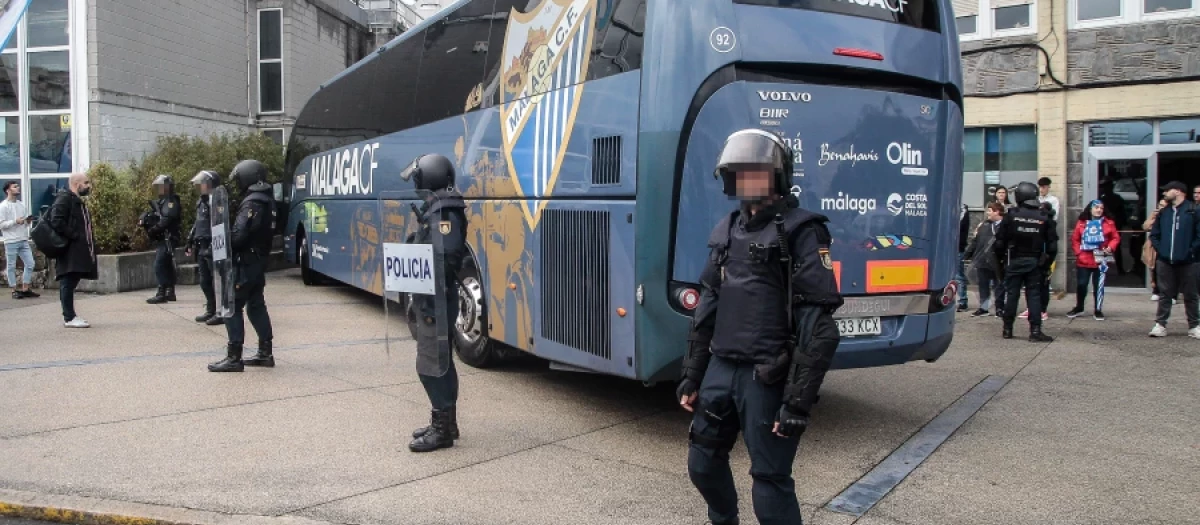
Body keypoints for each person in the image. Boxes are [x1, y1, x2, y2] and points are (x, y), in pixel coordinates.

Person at [677, 129, 842, 525]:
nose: (746, 182)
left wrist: (797, 403)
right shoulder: (727, 229)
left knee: (769, 481)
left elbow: (819, 328)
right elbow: (707, 311)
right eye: (739, 173)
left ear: (778, 177)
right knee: (702, 465)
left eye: (756, 172)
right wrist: (691, 375)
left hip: (767, 375)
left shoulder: (802, 231)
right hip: (720, 369)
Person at [404, 153, 469, 453]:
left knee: (430, 363)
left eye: (418, 178)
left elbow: (446, 255)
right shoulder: (440, 208)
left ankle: (441, 429)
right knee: (439, 360)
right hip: (433, 296)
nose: (416, 184)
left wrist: (422, 259)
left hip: (436, 299)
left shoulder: (444, 212)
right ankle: (446, 422)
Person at [208, 160, 276, 372]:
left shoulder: (252, 203)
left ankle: (234, 357)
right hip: (258, 262)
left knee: (232, 306)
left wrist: (222, 237)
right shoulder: (267, 200)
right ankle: (265, 353)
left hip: (245, 264)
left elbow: (239, 236)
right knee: (256, 305)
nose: (237, 184)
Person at [993, 181, 1057, 342]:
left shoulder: (1011, 215)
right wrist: (1048, 263)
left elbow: (1000, 242)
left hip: (1014, 260)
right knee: (1034, 296)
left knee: (1012, 295)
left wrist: (1000, 262)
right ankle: (1035, 331)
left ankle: (1007, 329)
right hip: (1035, 262)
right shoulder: (1044, 216)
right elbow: (1053, 245)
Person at [1148, 181, 1200, 338]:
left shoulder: (1193, 211)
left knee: (1191, 294)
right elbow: (1154, 234)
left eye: (1167, 190)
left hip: (1189, 261)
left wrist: (1191, 251)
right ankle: (1160, 324)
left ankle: (1194, 326)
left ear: (1178, 191)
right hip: (1165, 260)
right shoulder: (1164, 212)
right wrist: (1161, 250)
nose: (1164, 193)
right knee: (1165, 294)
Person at [48, 173, 97, 328]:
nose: (89, 186)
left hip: (77, 249)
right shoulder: (65, 198)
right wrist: (74, 235)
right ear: (77, 184)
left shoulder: (75, 200)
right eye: (86, 183)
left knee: (71, 281)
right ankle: (69, 317)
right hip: (70, 250)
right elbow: (56, 220)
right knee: (68, 282)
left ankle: (70, 316)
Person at [1067, 200, 1119, 320]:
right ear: (1090, 209)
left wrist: (1110, 247)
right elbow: (1075, 239)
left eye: (1101, 208)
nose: (1099, 210)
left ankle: (1098, 309)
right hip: (1084, 257)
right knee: (1081, 284)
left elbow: (1115, 238)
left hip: (1101, 257)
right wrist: (1078, 253)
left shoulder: (1108, 223)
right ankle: (1079, 307)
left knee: (1099, 286)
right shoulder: (1081, 223)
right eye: (1096, 207)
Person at [185, 170, 224, 325]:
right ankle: (210, 308)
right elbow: (198, 222)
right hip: (202, 245)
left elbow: (219, 223)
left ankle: (219, 311)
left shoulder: (216, 201)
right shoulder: (201, 201)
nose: (200, 187)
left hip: (212, 245)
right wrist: (190, 240)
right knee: (204, 280)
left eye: (203, 184)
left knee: (217, 280)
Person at [140, 175, 181, 304]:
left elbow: (166, 219)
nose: (159, 190)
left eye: (161, 187)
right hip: (163, 237)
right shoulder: (162, 202)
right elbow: (157, 215)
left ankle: (162, 292)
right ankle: (169, 291)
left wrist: (154, 229)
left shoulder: (171, 202)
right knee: (166, 265)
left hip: (168, 237)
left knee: (159, 264)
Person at [0, 181, 39, 299]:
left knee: (30, 263)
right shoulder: (3, 206)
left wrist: (27, 222)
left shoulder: (21, 204)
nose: (18, 188)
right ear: (8, 190)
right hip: (10, 240)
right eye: (15, 187)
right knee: (11, 266)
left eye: (18, 186)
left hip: (23, 239)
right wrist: (15, 221)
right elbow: (1, 225)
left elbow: (25, 222)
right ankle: (13, 290)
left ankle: (25, 288)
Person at [965, 202, 1005, 317]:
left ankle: (1000, 308)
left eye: (990, 211)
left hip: (998, 262)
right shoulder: (985, 225)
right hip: (982, 261)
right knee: (983, 286)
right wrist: (968, 254)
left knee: (999, 286)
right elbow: (976, 241)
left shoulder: (1005, 226)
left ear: (997, 212)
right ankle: (984, 308)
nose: (988, 213)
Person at [1143, 198, 1168, 302]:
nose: (1161, 208)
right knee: (1154, 268)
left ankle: (1171, 294)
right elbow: (1146, 227)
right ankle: (1156, 290)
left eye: (1164, 205)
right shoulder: (1155, 215)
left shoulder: (1171, 216)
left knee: (1168, 271)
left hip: (1167, 245)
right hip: (1154, 247)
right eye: (1160, 205)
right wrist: (1154, 217)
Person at [956, 204, 969, 312]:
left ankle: (962, 301)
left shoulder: (962, 210)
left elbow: (958, 227)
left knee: (958, 276)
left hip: (957, 248)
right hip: (945, 247)